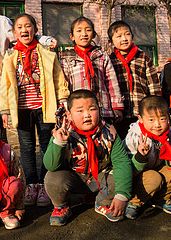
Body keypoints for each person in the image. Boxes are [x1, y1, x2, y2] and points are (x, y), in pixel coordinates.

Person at [0, 13, 69, 207]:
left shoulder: (45, 51)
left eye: (28, 26)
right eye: (19, 27)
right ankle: (31, 184)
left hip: (45, 107)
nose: (24, 30)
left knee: (47, 146)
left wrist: (63, 99)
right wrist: (4, 109)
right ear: (14, 33)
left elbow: (58, 76)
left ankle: (45, 184)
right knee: (27, 148)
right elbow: (5, 84)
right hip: (22, 109)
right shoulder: (11, 54)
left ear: (35, 30)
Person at [43, 90, 132, 226]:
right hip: (74, 177)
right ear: (69, 115)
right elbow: (51, 165)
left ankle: (103, 202)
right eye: (80, 111)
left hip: (100, 177)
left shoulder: (110, 132)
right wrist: (59, 143)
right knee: (52, 178)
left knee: (120, 176)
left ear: (99, 110)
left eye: (92, 109)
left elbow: (122, 163)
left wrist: (122, 196)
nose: (87, 115)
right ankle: (61, 207)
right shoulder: (60, 132)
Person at [123, 96, 171, 219]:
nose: (157, 125)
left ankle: (161, 199)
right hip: (138, 175)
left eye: (162, 119)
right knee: (154, 178)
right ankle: (135, 201)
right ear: (140, 119)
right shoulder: (135, 137)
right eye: (151, 119)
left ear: (168, 118)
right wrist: (141, 156)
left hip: (157, 167)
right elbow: (128, 169)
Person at [60, 16, 123, 125]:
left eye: (88, 30)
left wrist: (117, 106)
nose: (84, 34)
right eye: (79, 31)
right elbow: (63, 86)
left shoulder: (102, 57)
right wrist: (65, 108)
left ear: (93, 35)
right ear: (72, 36)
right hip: (78, 112)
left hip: (101, 109)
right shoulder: (66, 58)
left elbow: (111, 83)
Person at [108, 21, 161, 140]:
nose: (124, 39)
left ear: (133, 36)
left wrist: (155, 106)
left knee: (142, 140)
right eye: (118, 36)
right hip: (120, 112)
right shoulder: (110, 60)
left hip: (141, 110)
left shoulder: (143, 57)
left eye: (127, 34)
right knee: (122, 141)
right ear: (111, 42)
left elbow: (153, 84)